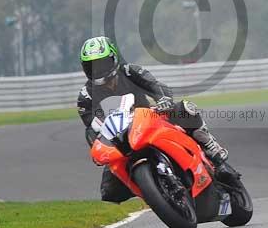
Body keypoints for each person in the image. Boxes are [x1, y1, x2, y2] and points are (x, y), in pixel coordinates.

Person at [77, 36, 237, 203]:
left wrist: (163, 99)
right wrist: (98, 149)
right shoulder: (86, 96)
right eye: (92, 66)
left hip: (148, 119)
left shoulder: (130, 72)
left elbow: (156, 85)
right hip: (121, 138)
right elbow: (92, 128)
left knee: (184, 109)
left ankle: (214, 153)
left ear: (113, 58)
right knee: (109, 192)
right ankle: (153, 190)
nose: (99, 70)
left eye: (102, 63)